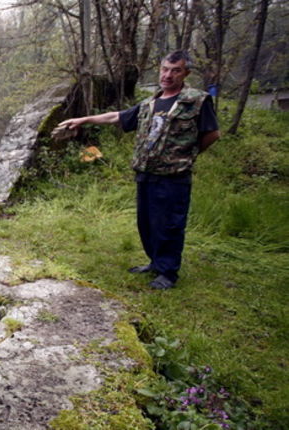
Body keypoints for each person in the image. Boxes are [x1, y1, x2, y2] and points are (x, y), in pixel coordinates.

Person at [58, 51, 220, 290]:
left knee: (170, 224)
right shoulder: (150, 103)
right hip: (146, 173)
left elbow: (212, 134)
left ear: (186, 73)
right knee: (148, 223)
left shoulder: (197, 100)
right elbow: (117, 116)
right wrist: (83, 120)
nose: (168, 75)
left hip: (173, 177)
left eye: (175, 70)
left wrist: (187, 156)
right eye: (165, 69)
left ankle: (168, 272)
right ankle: (155, 263)